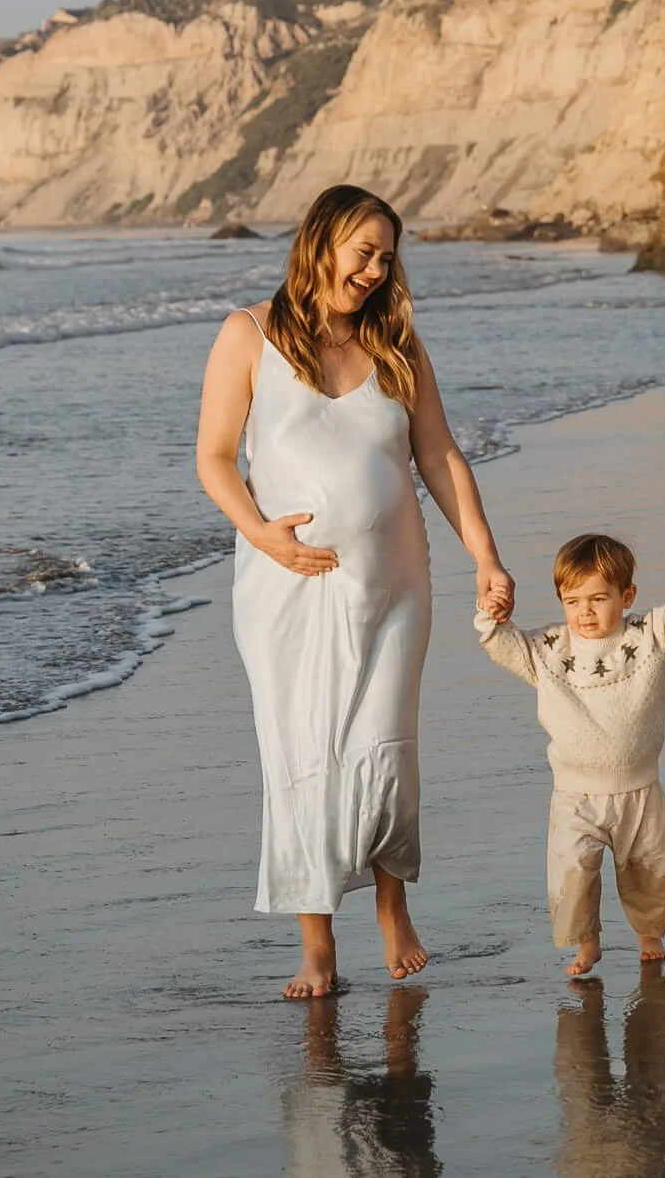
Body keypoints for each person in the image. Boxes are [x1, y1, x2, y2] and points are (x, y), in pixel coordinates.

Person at [196, 183, 515, 999]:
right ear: (319, 241)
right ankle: (316, 943)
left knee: (383, 747)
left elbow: (439, 456)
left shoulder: (397, 343)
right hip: (286, 589)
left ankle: (390, 903)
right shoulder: (248, 335)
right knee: (301, 754)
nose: (374, 270)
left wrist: (486, 555)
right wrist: (262, 533)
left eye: (385, 256)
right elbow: (214, 457)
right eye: (362, 251)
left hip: (396, 582)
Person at [476, 532, 665, 976]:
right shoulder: (549, 649)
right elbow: (503, 643)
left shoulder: (647, 634)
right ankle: (588, 942)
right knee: (574, 871)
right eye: (572, 601)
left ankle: (649, 936)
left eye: (598, 599)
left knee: (647, 871)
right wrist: (491, 614)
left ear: (627, 595)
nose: (585, 612)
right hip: (575, 795)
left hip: (639, 789)